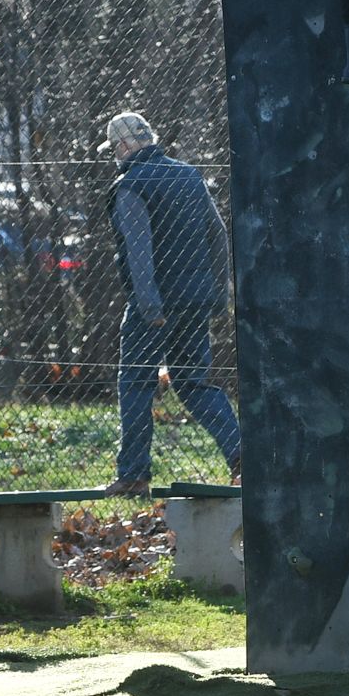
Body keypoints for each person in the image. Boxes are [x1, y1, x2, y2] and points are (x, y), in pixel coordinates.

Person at [105, 111, 242, 493]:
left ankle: (133, 474)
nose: (115, 155)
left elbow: (139, 249)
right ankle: (240, 452)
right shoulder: (189, 175)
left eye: (115, 148)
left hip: (156, 306)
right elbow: (217, 234)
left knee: (135, 382)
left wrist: (149, 307)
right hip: (197, 300)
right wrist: (218, 295)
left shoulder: (130, 185)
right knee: (193, 382)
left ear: (125, 145)